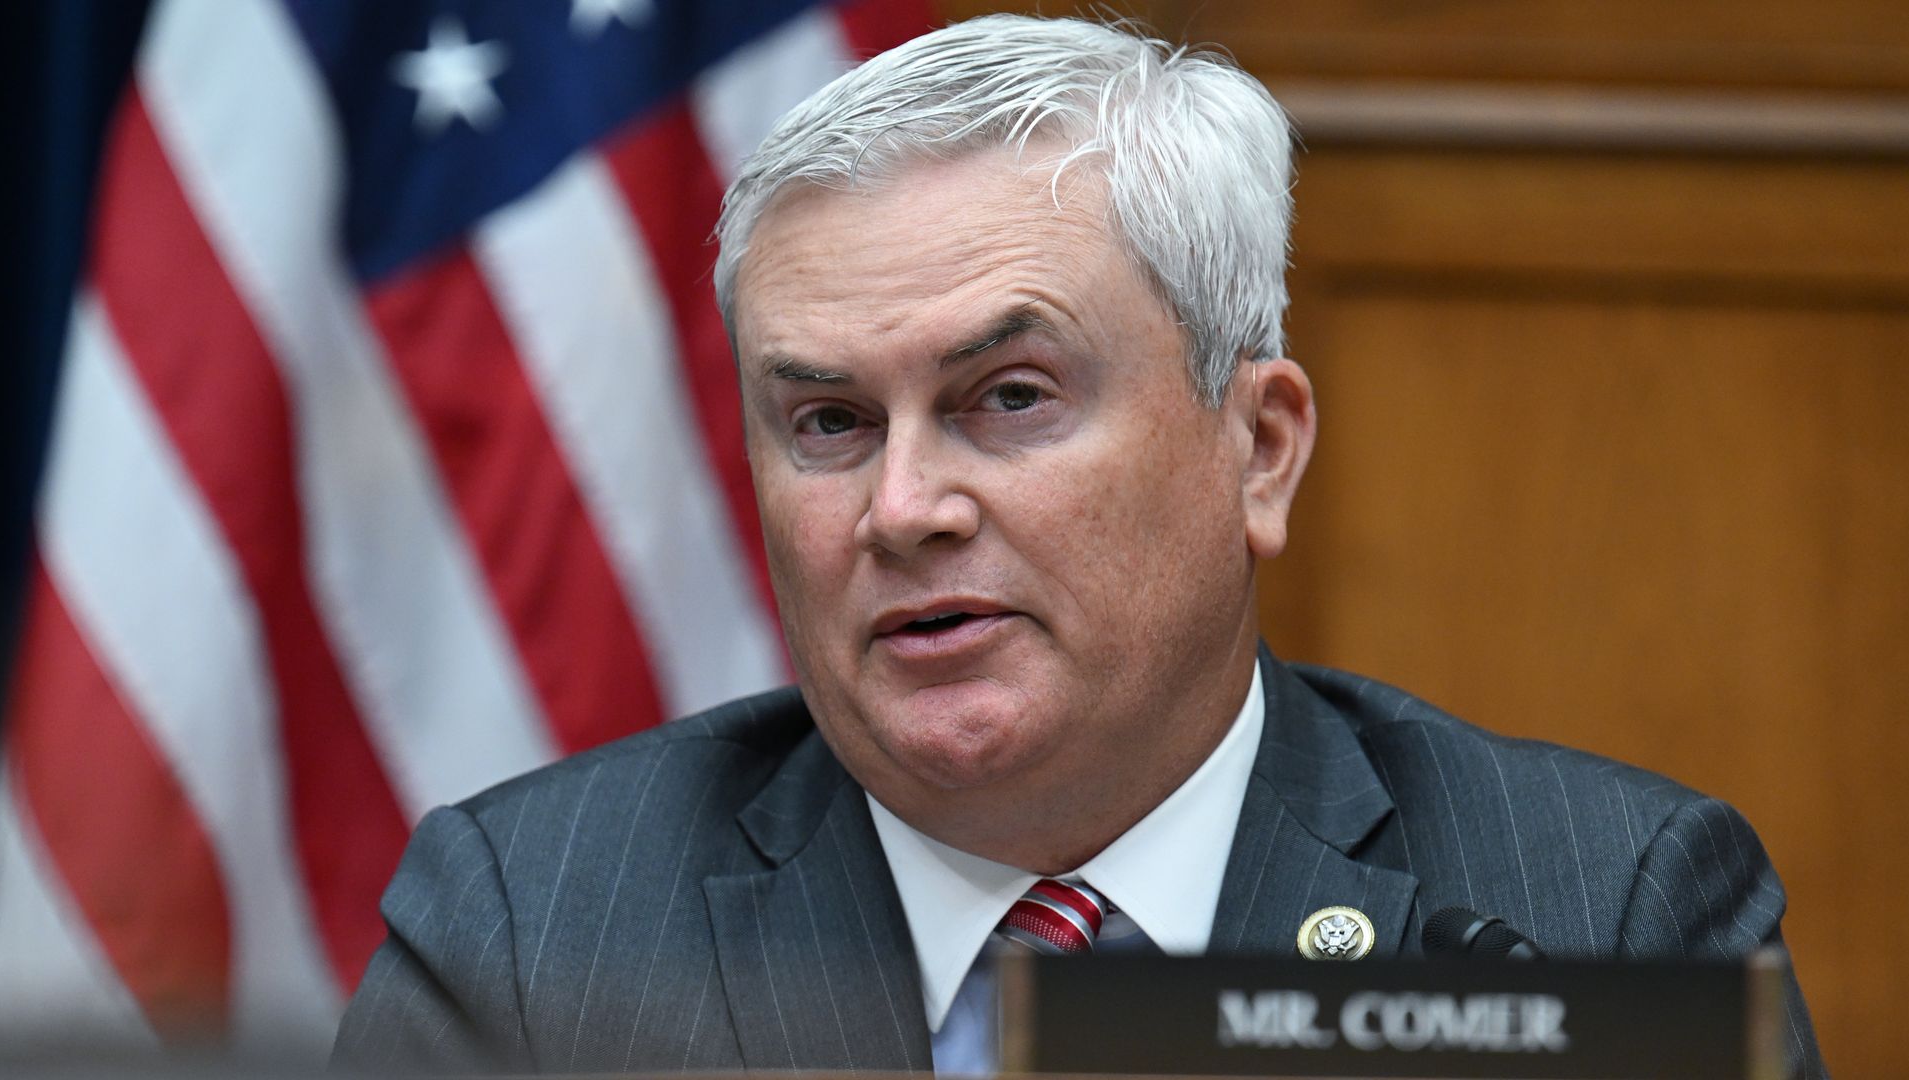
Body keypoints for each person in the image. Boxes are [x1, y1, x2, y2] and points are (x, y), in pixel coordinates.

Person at [333, 14, 1825, 1077]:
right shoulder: (534, 929)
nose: (903, 508)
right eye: (831, 423)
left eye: (1010, 398)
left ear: (1259, 448)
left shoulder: (1598, 913)